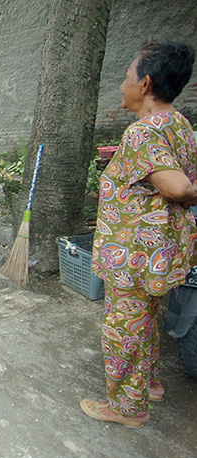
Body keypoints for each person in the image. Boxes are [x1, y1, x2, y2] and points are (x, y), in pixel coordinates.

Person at [83, 40, 197, 428]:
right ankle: (149, 383)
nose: (121, 85)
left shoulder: (142, 133)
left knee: (123, 328)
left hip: (134, 254)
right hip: (159, 252)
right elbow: (162, 169)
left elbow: (177, 187)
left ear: (145, 84)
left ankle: (127, 408)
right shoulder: (176, 122)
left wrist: (182, 188)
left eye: (126, 77)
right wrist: (123, 160)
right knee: (145, 317)